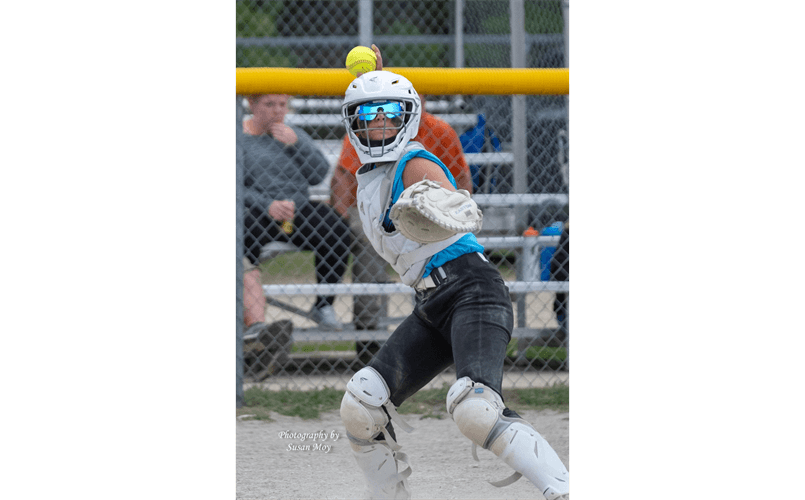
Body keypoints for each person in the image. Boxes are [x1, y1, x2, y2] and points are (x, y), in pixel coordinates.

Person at [337, 52, 570, 499]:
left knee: (474, 408)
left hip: (473, 292)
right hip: (432, 303)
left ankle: (562, 488)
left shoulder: (413, 161)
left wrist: (432, 204)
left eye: (390, 114)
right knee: (361, 403)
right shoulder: (368, 175)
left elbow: (458, 206)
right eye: (368, 115)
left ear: (408, 120)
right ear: (353, 123)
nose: (379, 124)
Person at [331, 45, 472, 332]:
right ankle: (369, 331)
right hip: (376, 207)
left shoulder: (439, 130)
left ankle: (432, 323)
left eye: (412, 98)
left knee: (430, 241)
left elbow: (462, 182)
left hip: (425, 209)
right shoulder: (371, 125)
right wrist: (340, 217)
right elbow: (343, 177)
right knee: (365, 241)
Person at [238, 93, 352, 330]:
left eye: (282, 104)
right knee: (242, 238)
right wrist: (267, 204)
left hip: (298, 209)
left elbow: (318, 174)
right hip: (259, 211)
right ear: (252, 104)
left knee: (337, 230)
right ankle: (252, 318)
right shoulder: (240, 137)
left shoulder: (294, 133)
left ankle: (323, 305)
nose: (277, 111)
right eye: (269, 104)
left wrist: (297, 145)